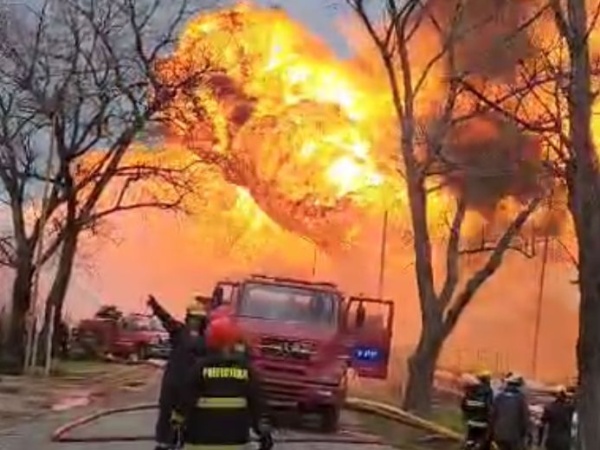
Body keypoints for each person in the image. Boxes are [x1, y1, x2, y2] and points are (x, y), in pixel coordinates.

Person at [173, 316, 273, 450]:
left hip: (199, 443)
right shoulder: (245, 369)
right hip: (236, 444)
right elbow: (257, 403)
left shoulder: (200, 368)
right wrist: (264, 432)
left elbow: (185, 401)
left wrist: (176, 426)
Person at [147, 295, 209, 450]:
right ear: (188, 318)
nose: (196, 322)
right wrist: (155, 307)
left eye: (199, 319)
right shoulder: (179, 332)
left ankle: (183, 443)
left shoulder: (207, 340)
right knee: (167, 417)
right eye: (193, 318)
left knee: (190, 421)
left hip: (192, 387)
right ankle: (164, 443)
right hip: (173, 384)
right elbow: (167, 320)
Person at [491, 374, 531, 450]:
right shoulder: (521, 399)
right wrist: (526, 433)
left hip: (499, 434)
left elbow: (492, 417)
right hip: (514, 436)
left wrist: (491, 435)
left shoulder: (499, 397)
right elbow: (525, 418)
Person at [461, 370, 494, 450]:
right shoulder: (488, 391)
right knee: (482, 443)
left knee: (470, 441)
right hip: (483, 423)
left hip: (471, 422)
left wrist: (467, 416)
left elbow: (464, 405)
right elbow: (489, 407)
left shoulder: (471, 390)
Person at [537, 386, 575, 450]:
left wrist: (539, 442)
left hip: (552, 440)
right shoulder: (569, 409)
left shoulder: (550, 408)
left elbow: (541, 425)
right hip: (565, 441)